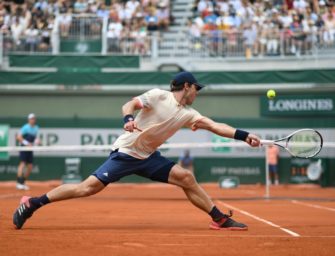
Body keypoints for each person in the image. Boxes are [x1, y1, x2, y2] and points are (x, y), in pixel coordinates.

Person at [13, 72, 260, 231]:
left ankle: (219, 219)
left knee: (186, 177)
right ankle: (32, 203)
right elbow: (128, 103)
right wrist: (129, 118)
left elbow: (217, 126)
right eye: (196, 88)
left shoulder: (189, 114)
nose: (198, 92)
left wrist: (244, 135)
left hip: (149, 157)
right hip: (126, 153)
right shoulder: (158, 96)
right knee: (87, 188)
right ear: (187, 86)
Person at [16, 113, 40, 190]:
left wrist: (36, 141)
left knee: (30, 166)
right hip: (24, 148)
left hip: (30, 149)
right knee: (22, 164)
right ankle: (19, 183)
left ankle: (22, 182)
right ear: (29, 120)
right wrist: (26, 143)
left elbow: (35, 137)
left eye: (34, 119)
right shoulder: (25, 127)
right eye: (31, 119)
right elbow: (18, 137)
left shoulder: (36, 128)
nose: (33, 120)